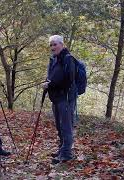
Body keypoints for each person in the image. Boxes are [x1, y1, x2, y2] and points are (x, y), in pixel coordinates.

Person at [42, 35, 77, 164]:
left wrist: (50, 84)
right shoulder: (54, 59)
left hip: (66, 98)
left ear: (62, 44)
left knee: (66, 126)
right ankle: (62, 149)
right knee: (59, 125)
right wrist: (48, 83)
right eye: (51, 45)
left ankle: (66, 154)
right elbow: (52, 77)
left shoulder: (68, 59)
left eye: (55, 44)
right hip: (56, 98)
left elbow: (68, 80)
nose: (52, 47)